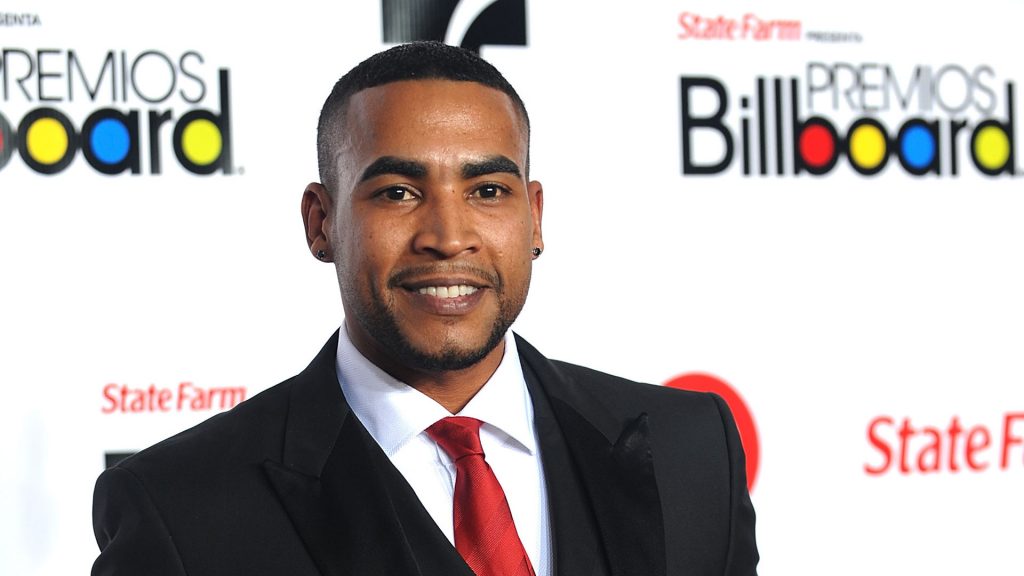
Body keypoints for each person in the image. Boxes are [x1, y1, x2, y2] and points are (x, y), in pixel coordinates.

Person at [92, 41, 758, 576]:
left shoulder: (692, 450)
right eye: (398, 193)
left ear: (534, 218)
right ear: (321, 223)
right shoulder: (180, 507)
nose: (447, 236)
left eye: (488, 190)